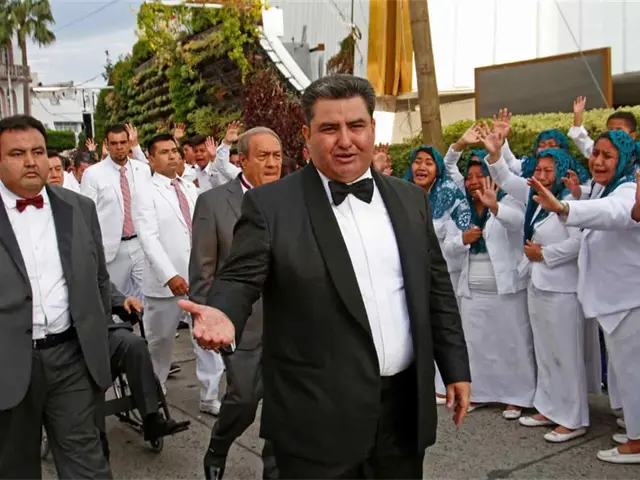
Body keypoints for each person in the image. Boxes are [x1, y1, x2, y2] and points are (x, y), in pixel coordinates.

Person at [180, 74, 471, 480]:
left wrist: (455, 367)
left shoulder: (410, 200)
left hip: (402, 415)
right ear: (307, 134)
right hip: (316, 419)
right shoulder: (270, 205)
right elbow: (240, 278)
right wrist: (223, 312)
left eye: (356, 126)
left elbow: (436, 289)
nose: (345, 140)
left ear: (373, 129)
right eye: (330, 128)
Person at [0, 115, 112, 479]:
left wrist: (97, 338)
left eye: (38, 151)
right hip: (7, 364)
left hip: (71, 358)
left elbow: (99, 279)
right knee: (14, 467)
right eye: (17, 153)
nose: (31, 161)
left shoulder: (79, 208)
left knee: (88, 466)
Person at [530, 130, 640, 464]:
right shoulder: (606, 187)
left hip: (629, 297)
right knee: (627, 371)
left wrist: (565, 206)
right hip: (616, 298)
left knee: (634, 373)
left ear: (624, 159)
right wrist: (576, 198)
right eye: (596, 154)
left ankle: (637, 442)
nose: (598, 161)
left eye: (608, 156)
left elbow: (614, 212)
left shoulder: (627, 189)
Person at [484, 134, 596, 443]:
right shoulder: (536, 198)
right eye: (539, 170)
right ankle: (549, 408)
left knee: (565, 355)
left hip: (563, 290)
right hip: (537, 284)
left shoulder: (573, 201)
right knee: (546, 353)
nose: (542, 176)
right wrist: (495, 153)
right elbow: (505, 179)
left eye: (549, 170)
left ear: (563, 171)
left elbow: (579, 243)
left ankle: (573, 418)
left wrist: (545, 254)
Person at [190, 126, 283, 480]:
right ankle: (219, 445)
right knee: (243, 400)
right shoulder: (213, 203)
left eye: (277, 156)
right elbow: (203, 268)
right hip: (240, 325)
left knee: (283, 405)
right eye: (263, 156)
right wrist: (209, 319)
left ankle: (275, 469)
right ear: (241, 160)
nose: (272, 163)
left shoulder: (295, 199)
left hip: (289, 324)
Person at [445, 124, 536, 420]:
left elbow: (517, 223)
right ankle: (480, 393)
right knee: (476, 344)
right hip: (472, 289)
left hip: (505, 287)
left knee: (513, 342)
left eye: (479, 176)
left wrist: (495, 208)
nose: (473, 182)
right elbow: (447, 169)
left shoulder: (510, 199)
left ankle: (517, 397)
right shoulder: (461, 208)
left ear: (492, 176)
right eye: (469, 177)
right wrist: (463, 239)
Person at [132, 134, 198, 393]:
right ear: (150, 159)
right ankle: (153, 394)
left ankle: (211, 395)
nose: (172, 156)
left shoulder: (190, 188)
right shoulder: (145, 192)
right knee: (159, 344)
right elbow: (148, 238)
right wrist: (170, 275)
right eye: (164, 152)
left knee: (205, 341)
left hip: (198, 277)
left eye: (174, 150)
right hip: (165, 285)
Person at [98, 281, 190, 459]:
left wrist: (125, 301)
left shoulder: (91, 268)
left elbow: (109, 291)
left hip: (106, 333)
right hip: (71, 342)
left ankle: (151, 418)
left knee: (135, 344)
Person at [80, 124, 152, 298]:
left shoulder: (142, 169)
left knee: (148, 296)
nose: (119, 147)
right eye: (114, 143)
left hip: (140, 244)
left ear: (129, 143)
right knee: (119, 299)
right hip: (111, 249)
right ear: (106, 144)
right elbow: (86, 215)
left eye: (123, 142)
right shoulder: (92, 174)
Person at [570, 96, 638, 158]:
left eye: (618, 130)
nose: (613, 133)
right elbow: (580, 138)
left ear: (632, 136)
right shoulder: (599, 151)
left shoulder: (636, 155)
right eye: (610, 130)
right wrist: (578, 115)